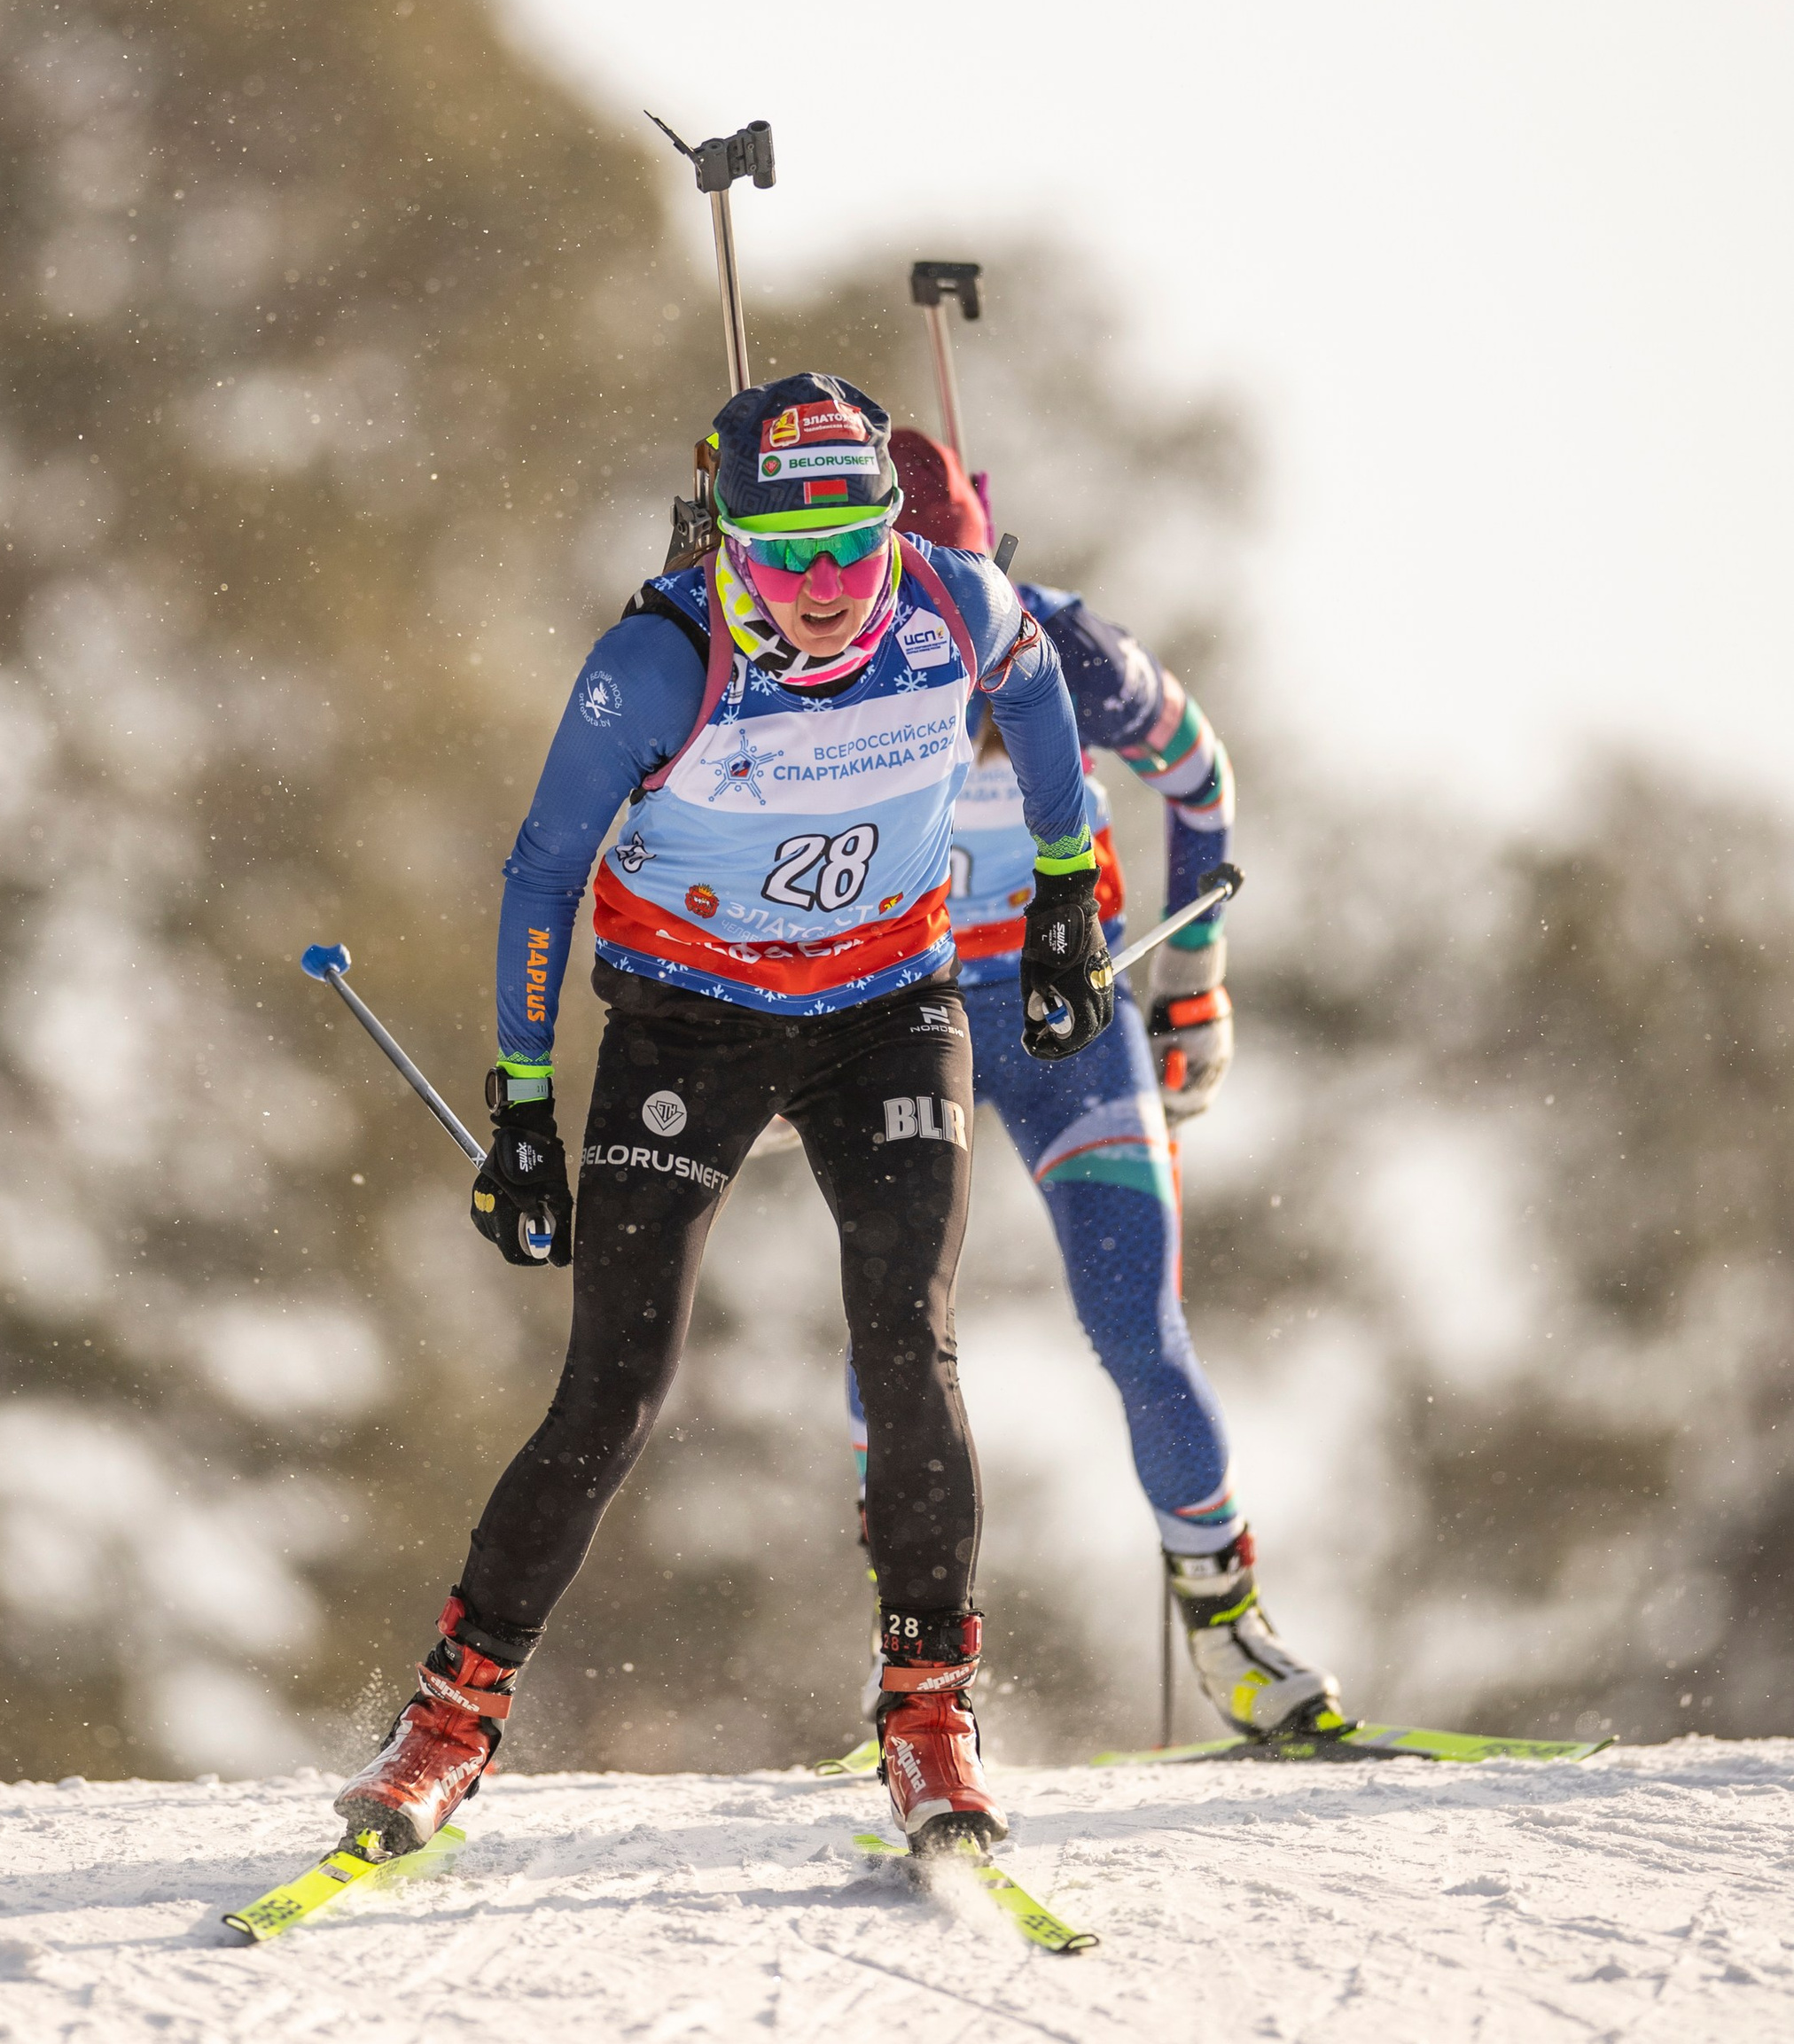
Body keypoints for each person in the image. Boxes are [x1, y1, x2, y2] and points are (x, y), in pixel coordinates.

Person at [334, 374, 1105, 1860]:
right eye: (779, 546)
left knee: (907, 1337)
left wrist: (1066, 888)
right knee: (616, 1386)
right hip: (692, 1016)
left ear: (891, 526)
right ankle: (449, 1719)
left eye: (847, 543)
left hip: (888, 1008)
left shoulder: (957, 600)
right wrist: (518, 1109)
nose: (820, 584)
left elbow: (1042, 696)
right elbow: (543, 874)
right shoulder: (654, 660)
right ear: (725, 543)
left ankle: (931, 1714)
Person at [838, 425, 1342, 1745]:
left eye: (961, 595)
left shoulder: (1069, 651)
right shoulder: (818, 664)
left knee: (1135, 1324)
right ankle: (913, 1663)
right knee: (891, 1337)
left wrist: (1198, 982)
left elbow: (1203, 777)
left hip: (1069, 1016)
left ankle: (1229, 1628)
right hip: (914, 1017)